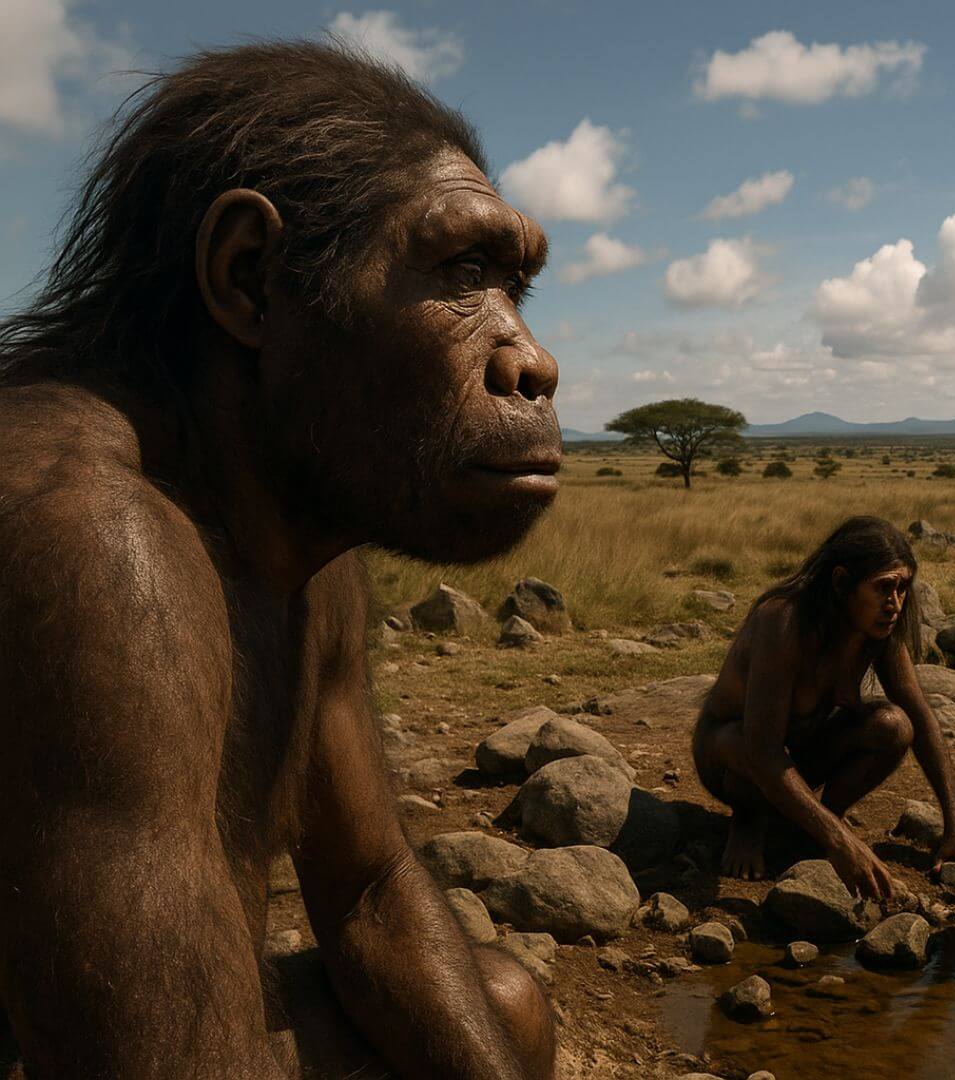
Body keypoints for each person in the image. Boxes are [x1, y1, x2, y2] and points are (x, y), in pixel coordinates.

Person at [0, 43, 558, 1077]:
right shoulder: (86, 531)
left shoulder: (301, 526)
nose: (532, 359)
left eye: (513, 284)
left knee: (502, 1009)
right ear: (251, 278)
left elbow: (371, 891)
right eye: (462, 274)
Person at [693, 516, 955, 898]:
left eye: (902, 587)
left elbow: (918, 715)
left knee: (895, 725)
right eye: (883, 587)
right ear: (840, 582)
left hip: (798, 755)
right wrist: (839, 840)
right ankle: (750, 819)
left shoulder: (878, 630)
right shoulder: (783, 619)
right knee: (740, 741)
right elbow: (762, 750)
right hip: (732, 762)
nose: (895, 603)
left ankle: (822, 818)